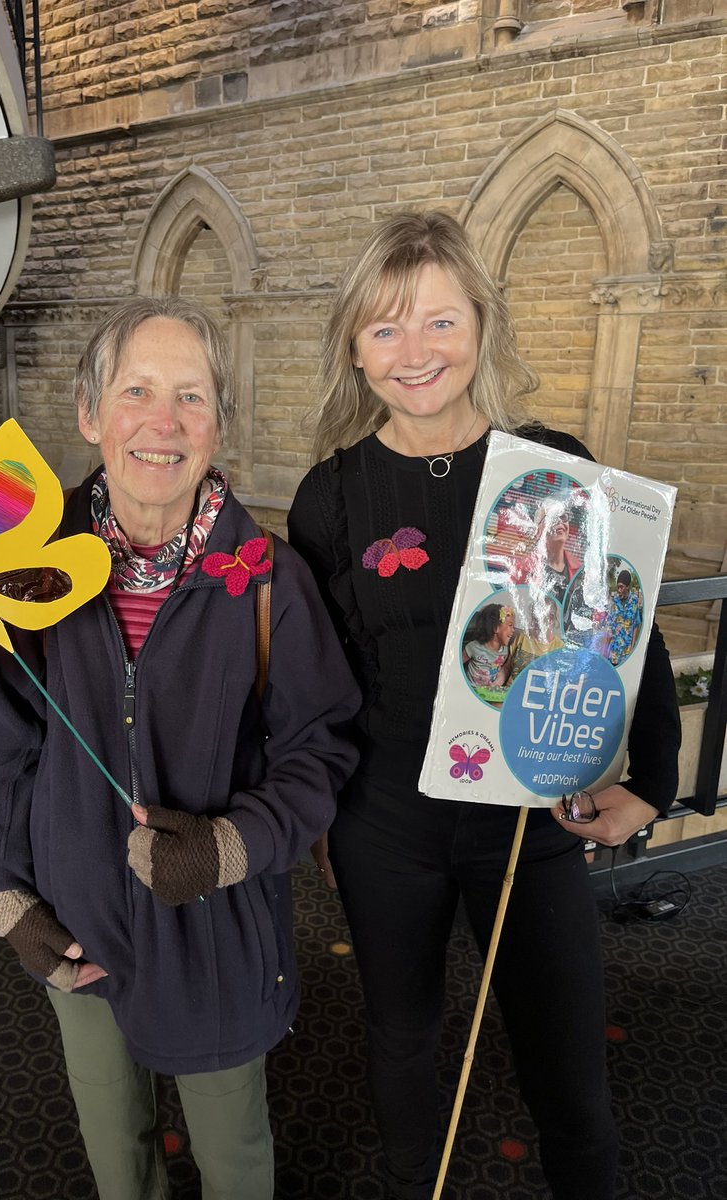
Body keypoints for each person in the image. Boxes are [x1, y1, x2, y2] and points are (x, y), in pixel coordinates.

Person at [287, 212, 680, 1200]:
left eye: (439, 321)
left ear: (480, 325)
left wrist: (653, 778)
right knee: (402, 1040)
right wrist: (321, 813)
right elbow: (321, 678)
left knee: (569, 1064)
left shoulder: (552, 467)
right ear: (354, 349)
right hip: (385, 821)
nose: (414, 351)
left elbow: (620, 627)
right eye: (384, 328)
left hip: (530, 820)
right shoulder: (330, 497)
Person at [0, 296, 360, 1200]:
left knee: (233, 1157)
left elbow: (321, 748)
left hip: (216, 926)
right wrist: (5, 890)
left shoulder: (271, 580)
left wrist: (233, 846)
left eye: (191, 396)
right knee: (117, 1151)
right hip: (75, 918)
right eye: (136, 391)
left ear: (220, 423)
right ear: (90, 413)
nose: (163, 422)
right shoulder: (24, 573)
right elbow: (0, 750)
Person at [462, 602, 515, 689]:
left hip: (489, 692)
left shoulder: (506, 651)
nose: (513, 630)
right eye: (510, 625)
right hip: (471, 689)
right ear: (495, 628)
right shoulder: (474, 647)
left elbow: (505, 669)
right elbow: (456, 663)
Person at [604, 568, 643, 666]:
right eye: (618, 587)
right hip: (613, 652)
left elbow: (636, 625)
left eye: (621, 587)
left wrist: (633, 647)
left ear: (627, 587)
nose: (619, 590)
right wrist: (605, 650)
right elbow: (609, 627)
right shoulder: (614, 602)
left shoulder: (634, 601)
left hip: (626, 652)